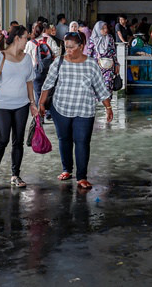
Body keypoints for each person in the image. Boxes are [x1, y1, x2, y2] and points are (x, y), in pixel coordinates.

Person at [39, 32, 113, 190]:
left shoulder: (92, 64)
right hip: (61, 108)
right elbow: (48, 84)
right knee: (64, 139)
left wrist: (108, 107)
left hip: (84, 110)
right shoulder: (59, 63)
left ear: (81, 47)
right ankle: (66, 169)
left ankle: (82, 177)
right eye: (66, 47)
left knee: (82, 142)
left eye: (71, 47)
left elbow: (100, 88)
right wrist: (41, 104)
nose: (68, 50)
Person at [0, 25, 38, 188]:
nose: (27, 40)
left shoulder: (27, 58)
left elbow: (29, 81)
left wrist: (32, 103)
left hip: (22, 104)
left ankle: (15, 175)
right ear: (17, 38)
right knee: (2, 139)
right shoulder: (0, 57)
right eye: (25, 38)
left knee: (18, 141)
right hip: (2, 105)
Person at [26, 22, 56, 114]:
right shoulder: (49, 40)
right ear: (43, 30)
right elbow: (57, 53)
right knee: (49, 92)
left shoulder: (30, 43)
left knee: (38, 94)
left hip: (36, 72)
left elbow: (26, 57)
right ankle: (49, 113)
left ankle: (40, 115)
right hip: (49, 71)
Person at [86, 21, 120, 91]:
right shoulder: (92, 40)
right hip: (97, 66)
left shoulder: (110, 38)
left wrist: (116, 64)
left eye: (106, 28)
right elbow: (89, 53)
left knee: (108, 84)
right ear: (98, 29)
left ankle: (107, 100)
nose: (105, 30)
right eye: (103, 28)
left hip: (109, 66)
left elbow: (113, 52)